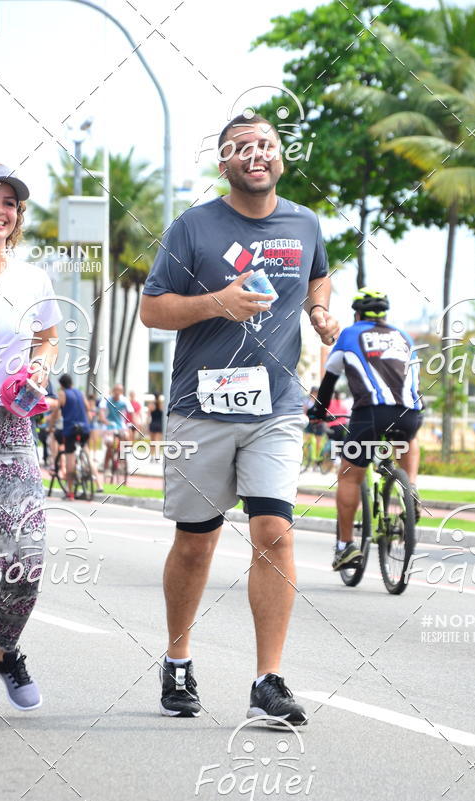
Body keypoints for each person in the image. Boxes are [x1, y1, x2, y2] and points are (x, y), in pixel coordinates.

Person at [140, 113, 338, 725]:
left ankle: (268, 680)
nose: (257, 155)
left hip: (275, 407)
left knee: (275, 534)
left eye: (267, 146)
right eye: (242, 148)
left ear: (281, 158)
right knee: (195, 544)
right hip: (201, 405)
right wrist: (216, 305)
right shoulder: (193, 227)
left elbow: (319, 279)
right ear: (223, 162)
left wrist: (322, 313)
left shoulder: (304, 223)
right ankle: (178, 660)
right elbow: (152, 309)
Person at [0, 161, 61, 719]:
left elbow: (47, 336)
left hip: (11, 425)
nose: (1, 210)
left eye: (11, 202)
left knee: (26, 555)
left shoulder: (32, 279)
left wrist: (41, 368)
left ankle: (5, 650)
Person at [309, 288, 423, 571]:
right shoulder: (404, 337)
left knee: (349, 475)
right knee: (409, 439)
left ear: (357, 314)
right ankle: (411, 489)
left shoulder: (350, 334)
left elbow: (329, 380)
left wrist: (318, 412)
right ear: (384, 315)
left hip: (370, 413)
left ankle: (345, 546)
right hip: (409, 413)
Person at [55, 374, 91, 501]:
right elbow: (88, 408)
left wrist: (51, 426)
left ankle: (70, 492)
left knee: (70, 458)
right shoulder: (80, 393)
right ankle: (89, 471)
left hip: (70, 429)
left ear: (61, 384)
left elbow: (56, 411)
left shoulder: (62, 394)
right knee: (85, 448)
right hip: (85, 428)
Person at [98, 383, 133, 473]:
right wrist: (106, 421)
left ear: (122, 392)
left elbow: (132, 413)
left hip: (120, 426)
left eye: (119, 390)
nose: (117, 392)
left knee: (126, 436)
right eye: (116, 390)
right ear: (113, 391)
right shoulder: (106, 400)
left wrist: (131, 425)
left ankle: (122, 459)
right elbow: (101, 415)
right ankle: (106, 465)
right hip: (109, 426)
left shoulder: (125, 401)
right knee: (110, 443)